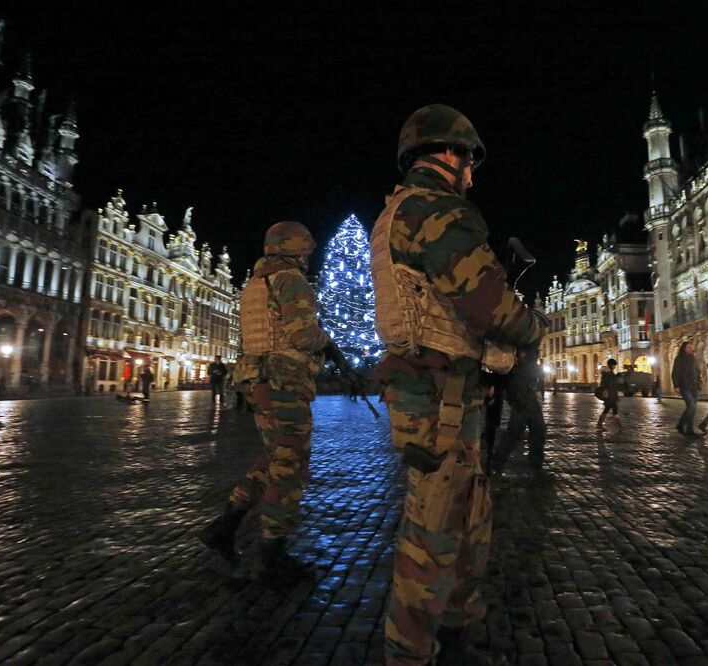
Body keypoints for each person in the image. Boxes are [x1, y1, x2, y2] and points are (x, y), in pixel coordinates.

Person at [372, 103, 544, 665]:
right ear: (452, 154)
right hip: (440, 396)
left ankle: (457, 631)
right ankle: (410, 652)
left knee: (467, 517)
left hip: (442, 391)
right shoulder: (437, 210)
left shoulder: (399, 209)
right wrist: (531, 325)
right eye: (470, 161)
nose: (472, 173)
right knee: (433, 532)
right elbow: (488, 301)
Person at [199, 221, 356, 578]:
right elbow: (302, 335)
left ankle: (225, 526)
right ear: (292, 248)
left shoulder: (257, 282)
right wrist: (327, 342)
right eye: (305, 249)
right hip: (283, 382)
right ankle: (272, 555)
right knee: (291, 467)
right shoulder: (289, 280)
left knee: (275, 456)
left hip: (259, 379)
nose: (308, 255)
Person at [491, 343, 546, 474]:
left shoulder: (526, 359)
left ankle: (535, 463)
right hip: (521, 399)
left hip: (527, 399)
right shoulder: (519, 362)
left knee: (535, 430)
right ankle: (498, 463)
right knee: (515, 433)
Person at [672, 341, 702, 437]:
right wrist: (676, 385)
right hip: (684, 386)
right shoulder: (679, 359)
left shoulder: (694, 359)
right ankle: (681, 425)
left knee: (693, 409)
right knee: (691, 406)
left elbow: (698, 371)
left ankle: (689, 429)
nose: (691, 349)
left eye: (691, 347)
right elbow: (675, 373)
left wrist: (699, 382)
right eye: (689, 347)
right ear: (684, 348)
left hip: (694, 386)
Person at [597, 358, 623, 432]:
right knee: (614, 410)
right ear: (611, 365)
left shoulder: (609, 374)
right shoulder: (610, 375)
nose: (615, 367)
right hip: (611, 396)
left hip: (610, 395)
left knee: (607, 410)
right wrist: (617, 377)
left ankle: (599, 424)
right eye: (614, 365)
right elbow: (611, 384)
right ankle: (620, 426)